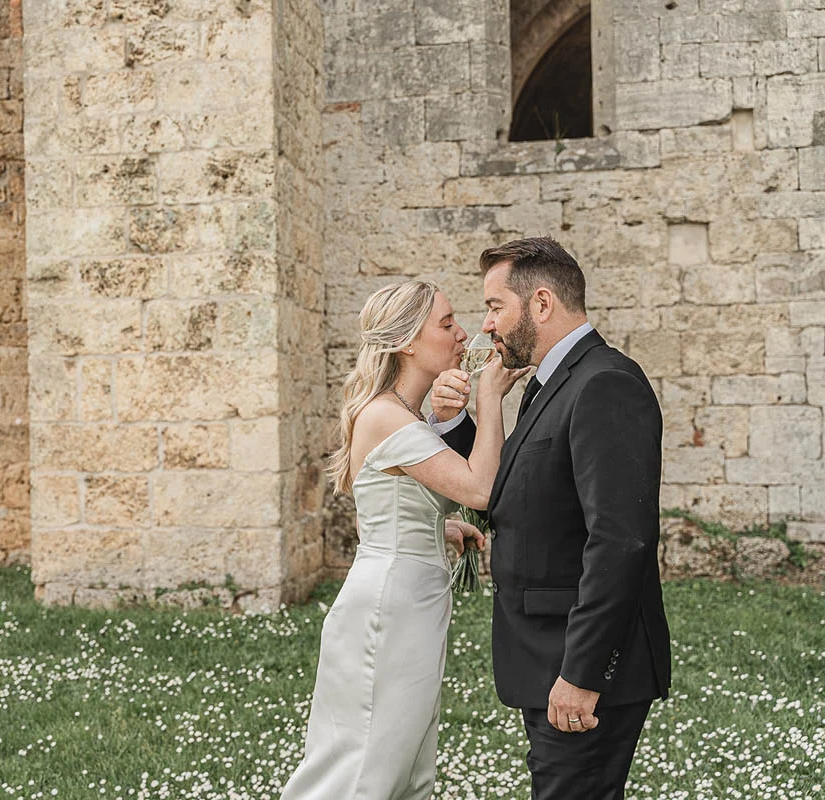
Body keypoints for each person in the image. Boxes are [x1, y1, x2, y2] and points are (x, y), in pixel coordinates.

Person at [431, 237, 672, 800]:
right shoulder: (547, 384)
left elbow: (621, 540)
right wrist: (454, 423)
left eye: (495, 307)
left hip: (581, 668)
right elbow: (518, 486)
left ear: (540, 304)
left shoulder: (604, 383)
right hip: (546, 656)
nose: (486, 326)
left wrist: (583, 674)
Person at [281, 279, 526, 799]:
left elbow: (394, 503)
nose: (463, 335)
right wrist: (488, 400)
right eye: (446, 324)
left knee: (406, 761)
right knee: (365, 764)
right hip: (388, 610)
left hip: (413, 601)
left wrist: (443, 528)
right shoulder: (386, 416)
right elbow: (481, 488)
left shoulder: (404, 414)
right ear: (408, 342)